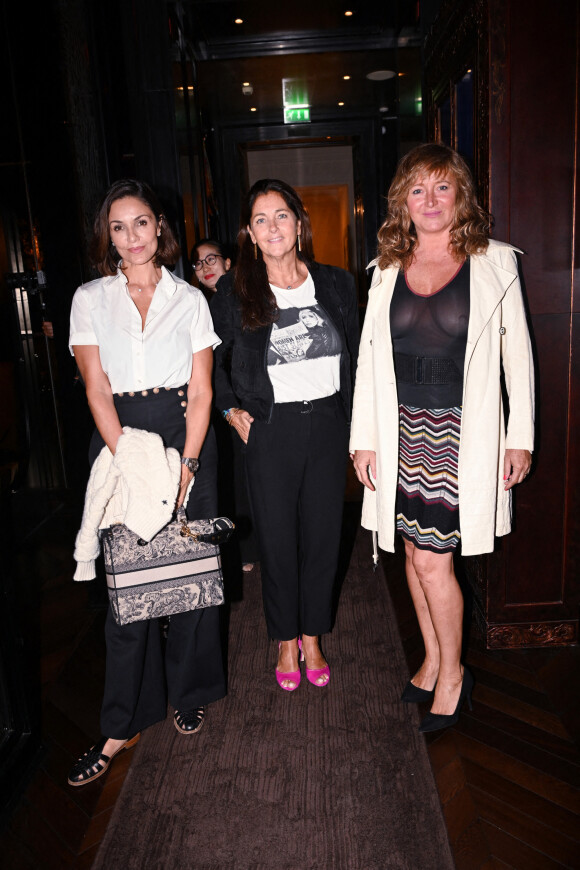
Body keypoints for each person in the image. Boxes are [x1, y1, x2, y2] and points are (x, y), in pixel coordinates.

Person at [350, 143, 534, 732]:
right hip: (400, 428)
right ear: (403, 201)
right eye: (418, 190)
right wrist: (364, 438)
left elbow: (519, 360)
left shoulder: (494, 262)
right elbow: (368, 358)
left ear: (462, 196)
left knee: (434, 562)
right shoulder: (383, 270)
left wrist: (520, 437)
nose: (430, 201)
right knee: (411, 551)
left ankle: (455, 676)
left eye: (443, 188)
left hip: (460, 433)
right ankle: (431, 661)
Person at [67, 179, 226, 786]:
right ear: (107, 235)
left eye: (139, 224)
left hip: (184, 432)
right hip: (120, 437)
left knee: (188, 576)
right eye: (117, 226)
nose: (130, 237)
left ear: (159, 227)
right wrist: (128, 456)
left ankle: (190, 690)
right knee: (127, 593)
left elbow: (204, 388)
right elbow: (96, 386)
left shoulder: (189, 299)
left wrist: (186, 464)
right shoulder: (90, 298)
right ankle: (122, 721)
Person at [210, 178, 359, 691]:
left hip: (328, 424)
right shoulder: (235, 291)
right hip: (270, 429)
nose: (272, 227)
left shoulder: (337, 284)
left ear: (299, 223)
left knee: (323, 535)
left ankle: (313, 636)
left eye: (281, 216)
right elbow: (211, 360)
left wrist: (361, 426)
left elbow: (358, 358)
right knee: (277, 539)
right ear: (249, 233)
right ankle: (283, 639)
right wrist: (230, 409)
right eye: (260, 219)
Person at [191, 237, 259, 573]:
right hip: (216, 401)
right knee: (233, 475)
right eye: (198, 263)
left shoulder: (249, 296)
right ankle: (245, 550)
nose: (204, 267)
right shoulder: (196, 306)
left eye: (211, 259)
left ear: (229, 264)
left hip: (246, 398)